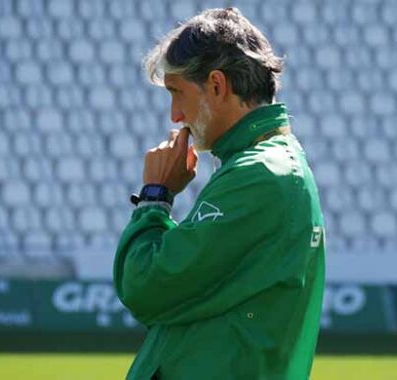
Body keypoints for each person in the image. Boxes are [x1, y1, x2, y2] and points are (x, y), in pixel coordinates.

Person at [113, 8, 326, 380]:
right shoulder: (261, 165)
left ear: (216, 85)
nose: (175, 115)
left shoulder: (259, 175)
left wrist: (154, 199)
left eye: (177, 93)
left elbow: (146, 285)